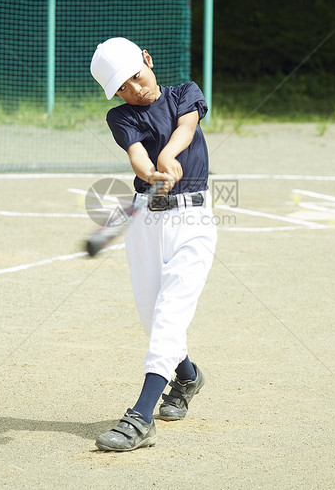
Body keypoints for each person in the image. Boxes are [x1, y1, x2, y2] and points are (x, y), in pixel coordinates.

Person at [89, 37, 218, 451]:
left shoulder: (185, 93)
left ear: (148, 58)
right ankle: (187, 376)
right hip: (146, 220)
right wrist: (152, 170)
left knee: (169, 314)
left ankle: (140, 417)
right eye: (122, 87)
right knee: (153, 317)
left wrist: (169, 158)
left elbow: (187, 127)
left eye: (136, 77)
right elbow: (137, 159)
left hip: (194, 218)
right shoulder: (121, 116)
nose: (133, 89)